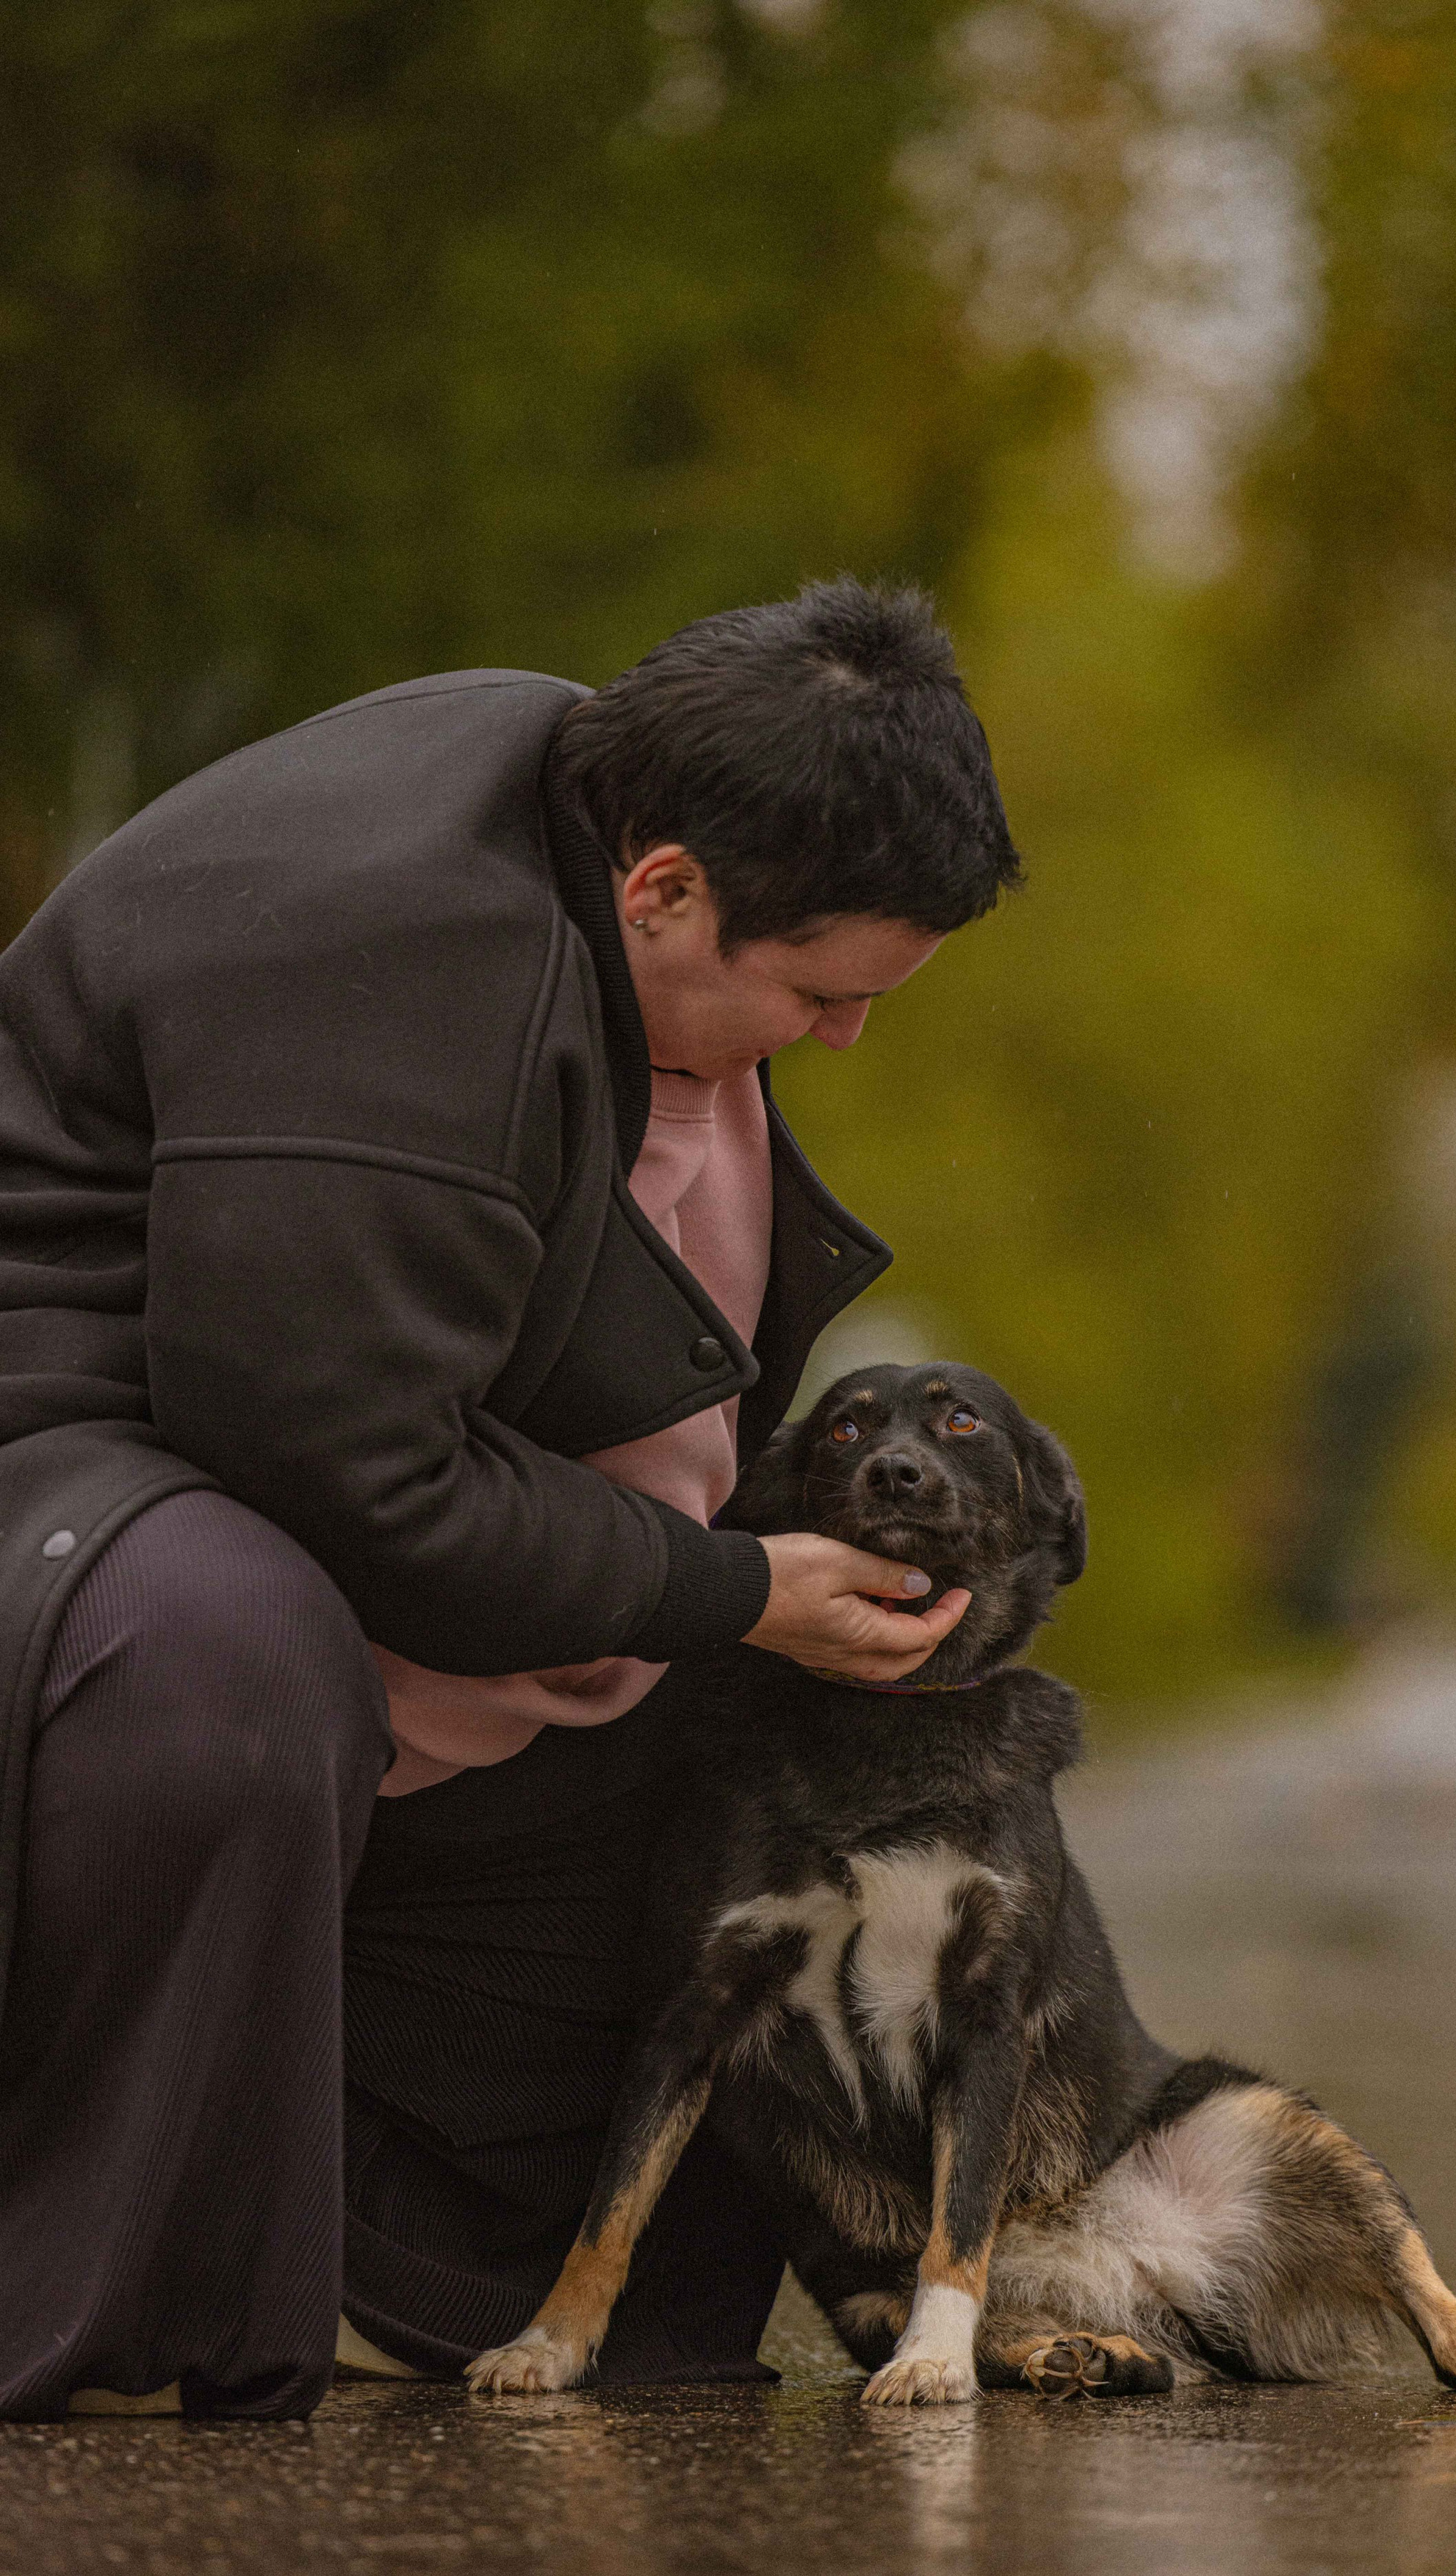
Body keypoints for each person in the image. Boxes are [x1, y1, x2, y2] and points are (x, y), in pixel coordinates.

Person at [0, 580, 1022, 2419]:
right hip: (65, 1482)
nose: (841, 1041)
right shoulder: (391, 959)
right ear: (664, 890)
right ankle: (101, 2298)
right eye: (817, 994)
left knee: (760, 1766)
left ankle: (736, 2257)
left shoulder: (603, 800)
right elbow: (351, 1470)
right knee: (227, 1660)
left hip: (305, 1497)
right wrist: (725, 1589)